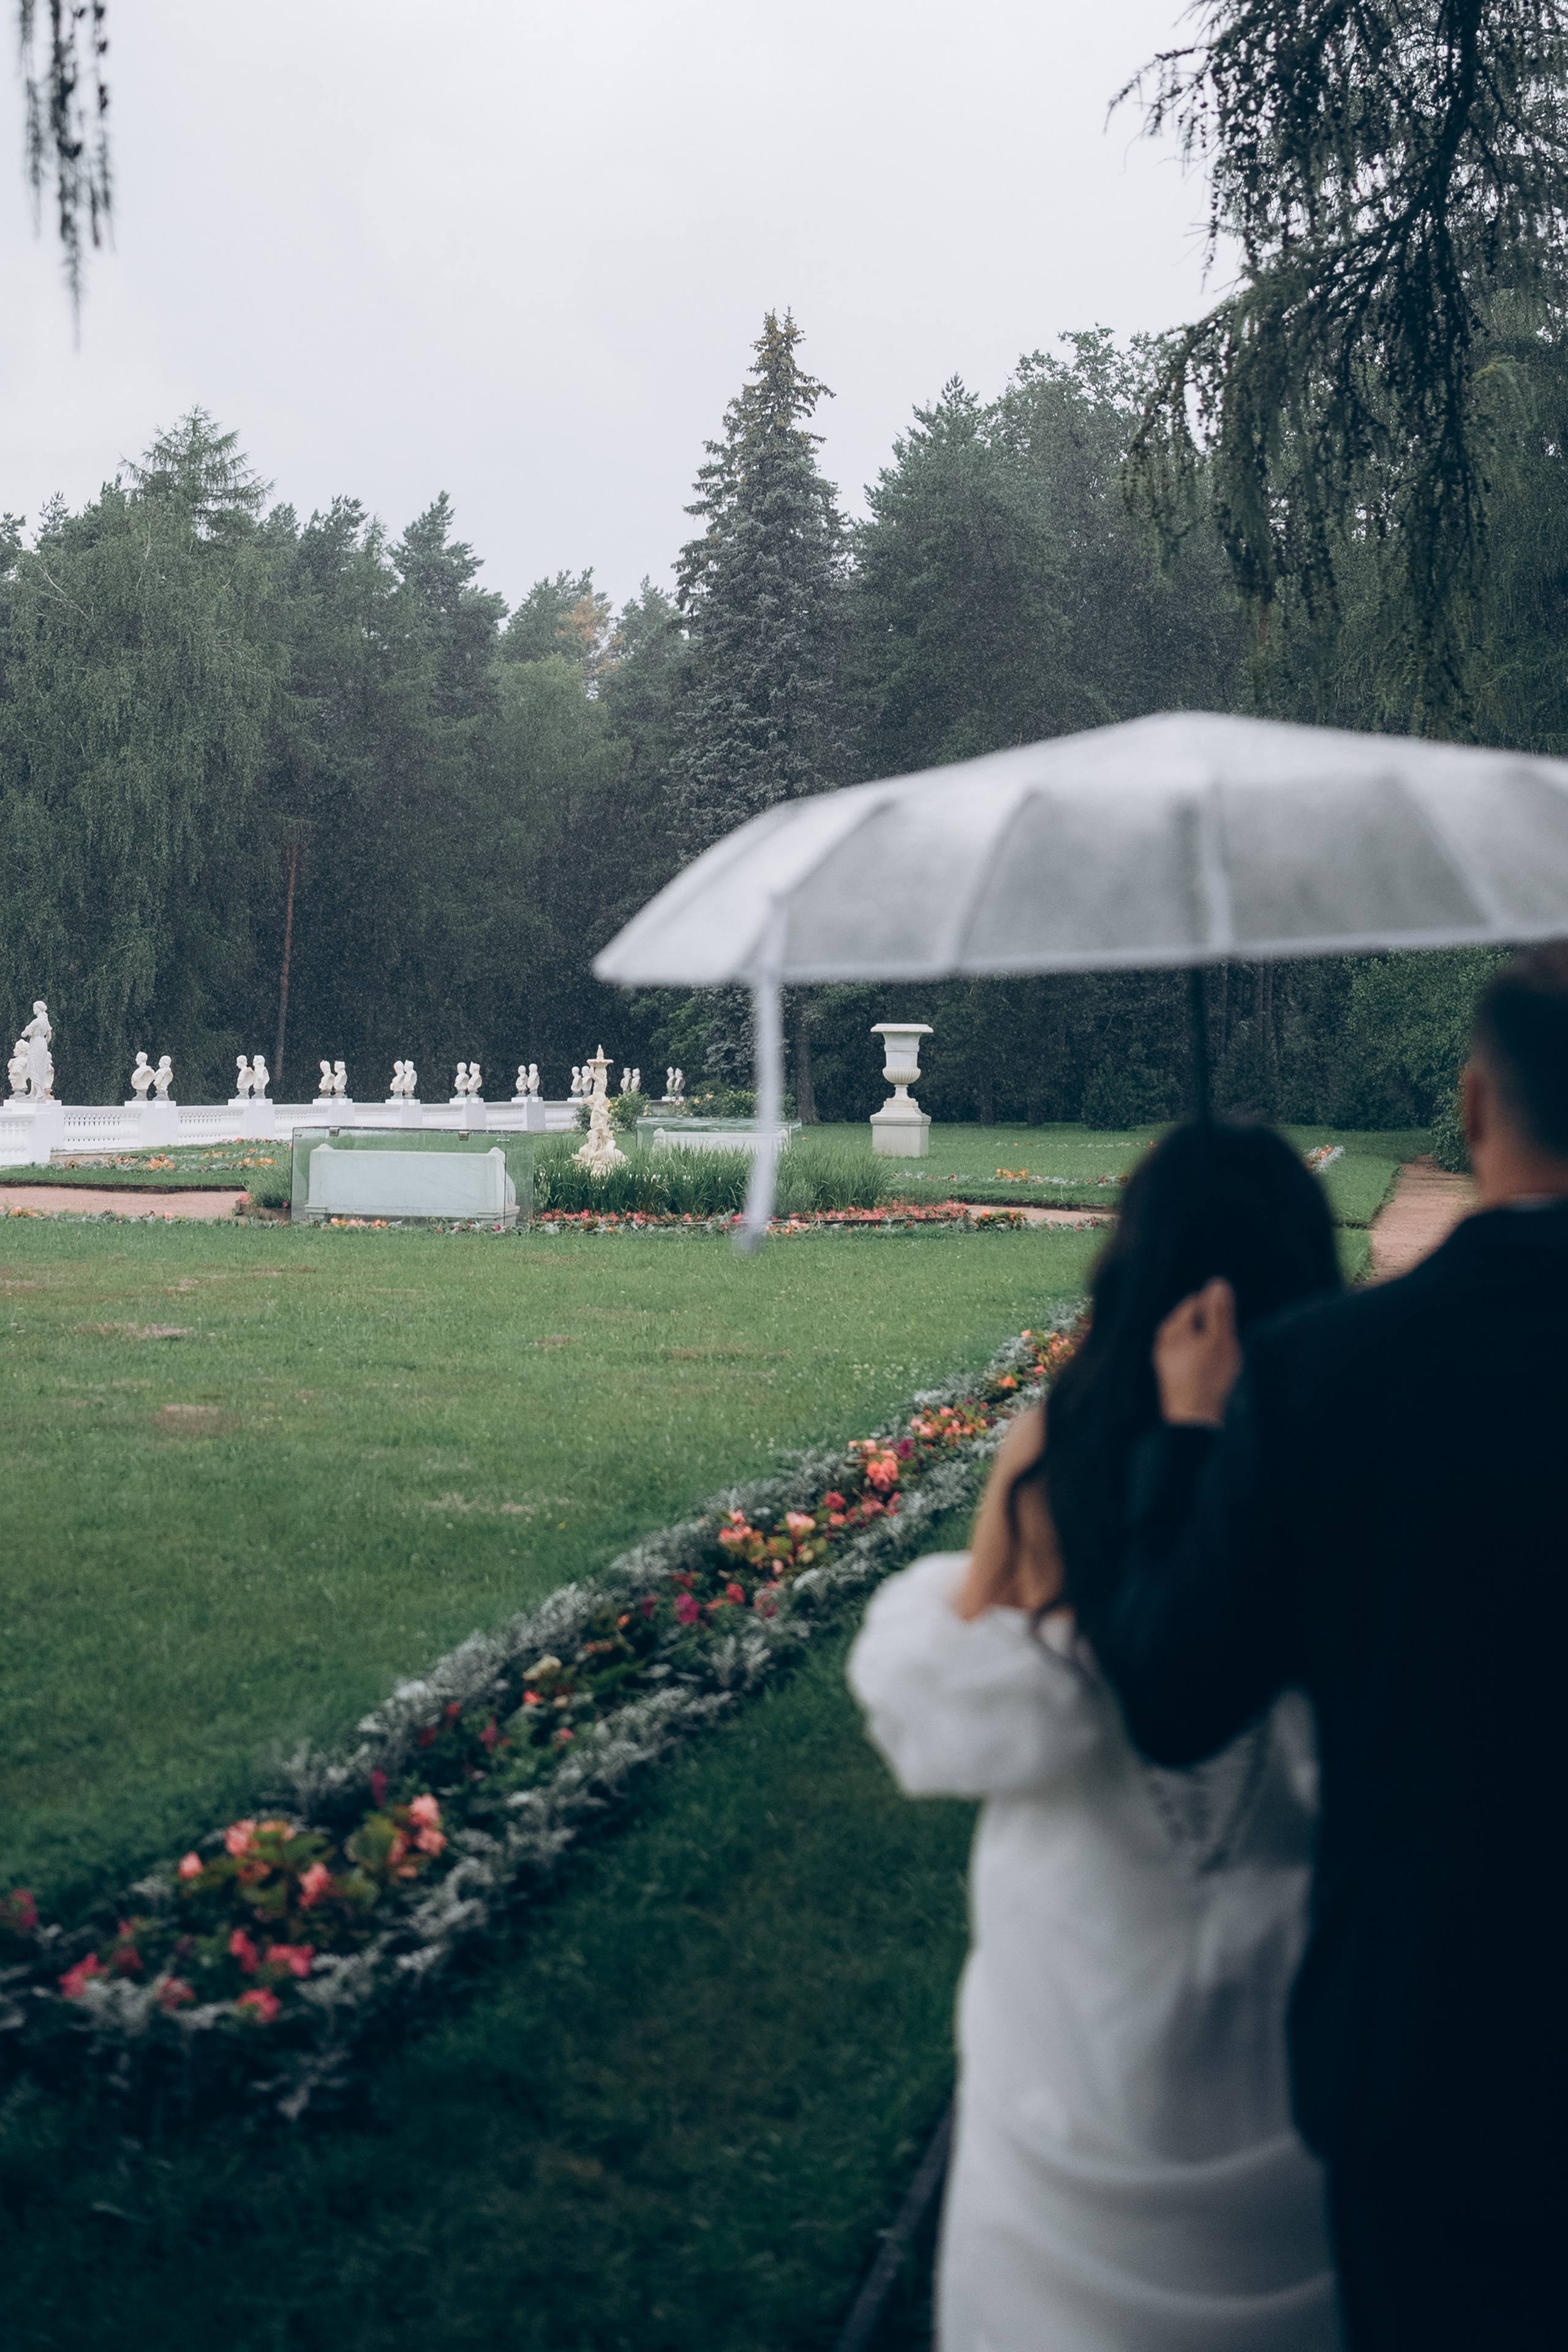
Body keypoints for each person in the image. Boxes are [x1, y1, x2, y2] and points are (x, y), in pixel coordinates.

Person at [1087, 947, 1568, 2351]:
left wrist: (1184, 1436)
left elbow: (1174, 1694)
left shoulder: (1325, 1373)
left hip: (1434, 2046)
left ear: (1473, 1105)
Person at [848, 1123, 1348, 2351]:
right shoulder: (1346, 1444)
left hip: (1077, 1962)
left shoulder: (1056, 1453)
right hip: (1287, 1985)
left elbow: (984, 1663)